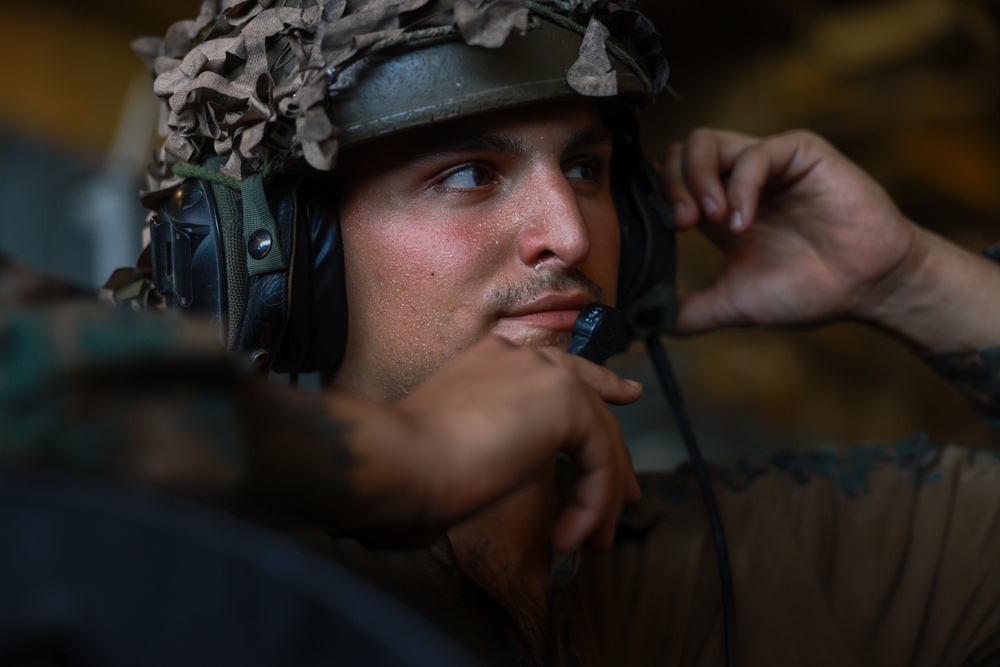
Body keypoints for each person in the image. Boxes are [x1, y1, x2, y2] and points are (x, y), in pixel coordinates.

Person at [8, 0, 1000, 665]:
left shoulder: (797, 553)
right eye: (470, 174)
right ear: (281, 258)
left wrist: (911, 277)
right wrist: (397, 461)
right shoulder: (180, 574)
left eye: (585, 170)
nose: (569, 233)